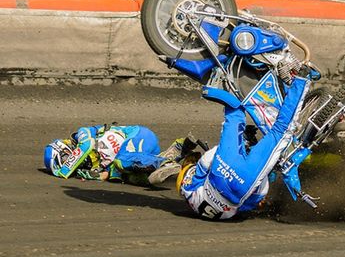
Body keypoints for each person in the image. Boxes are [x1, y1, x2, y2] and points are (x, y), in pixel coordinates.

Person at [177, 76, 309, 220]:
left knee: (281, 131)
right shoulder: (188, 190)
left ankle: (302, 79)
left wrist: (263, 174)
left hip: (242, 187)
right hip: (222, 169)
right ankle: (222, 79)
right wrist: (227, 151)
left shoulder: (201, 205)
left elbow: (258, 195)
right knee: (234, 113)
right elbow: (207, 160)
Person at [43, 124, 196, 184]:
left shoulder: (82, 134)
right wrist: (97, 176)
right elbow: (109, 175)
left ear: (65, 148)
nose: (66, 162)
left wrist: (63, 172)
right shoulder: (87, 166)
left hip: (138, 136)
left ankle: (163, 163)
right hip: (135, 154)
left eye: (63, 160)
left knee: (121, 161)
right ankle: (178, 155)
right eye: (62, 163)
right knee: (134, 178)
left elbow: (87, 146)